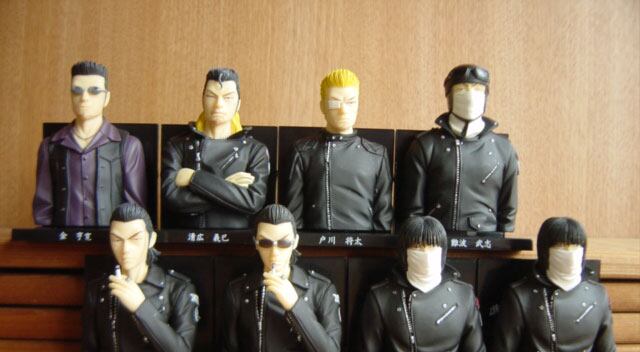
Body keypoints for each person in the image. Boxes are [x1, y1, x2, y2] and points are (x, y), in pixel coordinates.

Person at [351, 216, 486, 352]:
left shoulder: (464, 294)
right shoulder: (380, 296)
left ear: (443, 251)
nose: (426, 254)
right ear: (403, 252)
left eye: (432, 246)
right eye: (417, 247)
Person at [222, 204, 342, 352]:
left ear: (295, 242)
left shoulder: (321, 289)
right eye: (266, 243)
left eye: (284, 243)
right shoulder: (238, 289)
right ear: (256, 243)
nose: (275, 253)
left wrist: (295, 305)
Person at [488, 217, 617, 352]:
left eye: (575, 246)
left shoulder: (598, 295)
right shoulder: (520, 294)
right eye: (561, 246)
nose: (570, 253)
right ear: (544, 250)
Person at [82, 203, 199, 352]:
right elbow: (90, 351)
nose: (125, 249)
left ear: (151, 239)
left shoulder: (177, 288)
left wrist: (141, 307)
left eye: (135, 238)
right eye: (117, 240)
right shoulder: (97, 290)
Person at [397, 64, 518, 234]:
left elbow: (508, 212)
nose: (470, 95)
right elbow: (412, 211)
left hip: (486, 242)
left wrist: (500, 241)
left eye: (478, 89)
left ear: (486, 95)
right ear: (449, 95)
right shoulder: (426, 145)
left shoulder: (503, 149)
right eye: (461, 89)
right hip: (435, 241)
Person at [33, 61, 147, 226]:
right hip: (63, 239)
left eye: (94, 91)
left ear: (106, 98)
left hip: (110, 239)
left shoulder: (128, 146)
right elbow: (43, 208)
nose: (84, 98)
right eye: (77, 91)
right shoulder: (50, 146)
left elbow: (135, 210)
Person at [284, 69, 392, 231]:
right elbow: (293, 217)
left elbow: (383, 217)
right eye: (334, 103)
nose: (343, 110)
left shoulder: (376, 155)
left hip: (361, 243)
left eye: (351, 102)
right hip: (315, 243)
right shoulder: (304, 152)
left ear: (358, 104)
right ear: (322, 106)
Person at [162, 68, 270, 229]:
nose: (219, 104)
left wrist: (194, 178)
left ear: (238, 104)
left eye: (228, 97)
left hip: (236, 239)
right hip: (187, 238)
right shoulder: (178, 145)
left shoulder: (254, 150)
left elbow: (253, 201)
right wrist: (228, 186)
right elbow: (172, 198)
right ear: (202, 99)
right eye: (211, 96)